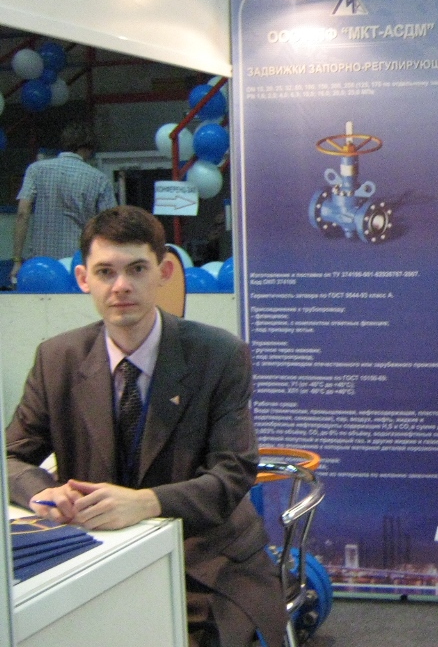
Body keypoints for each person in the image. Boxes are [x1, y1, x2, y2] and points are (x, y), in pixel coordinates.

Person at [5, 205, 286, 647]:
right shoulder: (57, 358)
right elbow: (11, 457)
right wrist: (44, 492)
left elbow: (232, 474)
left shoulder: (219, 355)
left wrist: (147, 503)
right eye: (105, 272)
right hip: (96, 555)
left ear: (164, 272)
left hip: (206, 564)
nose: (121, 286)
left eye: (137, 269)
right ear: (83, 279)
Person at [10, 120, 117, 284]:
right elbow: (111, 225)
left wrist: (17, 260)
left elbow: (23, 213)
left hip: (40, 264)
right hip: (79, 265)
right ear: (88, 148)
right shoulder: (99, 179)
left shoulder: (36, 170)